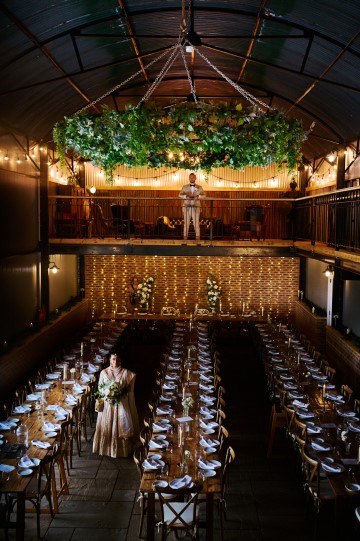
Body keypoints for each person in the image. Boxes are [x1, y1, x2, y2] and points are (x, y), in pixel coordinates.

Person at [92, 351, 139, 458]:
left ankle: (122, 450)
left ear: (120, 360)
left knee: (121, 424)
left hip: (121, 405)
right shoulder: (104, 373)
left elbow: (129, 390)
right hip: (108, 404)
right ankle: (107, 448)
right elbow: (100, 388)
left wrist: (120, 394)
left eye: (117, 359)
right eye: (113, 359)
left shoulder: (126, 373)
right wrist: (107, 394)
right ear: (110, 360)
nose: (115, 361)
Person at [179, 173, 205, 241]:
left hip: (196, 207)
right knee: (186, 224)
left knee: (196, 224)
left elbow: (204, 196)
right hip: (187, 207)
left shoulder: (200, 187)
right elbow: (180, 195)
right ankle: (185, 239)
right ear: (189, 178)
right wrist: (185, 196)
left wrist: (198, 196)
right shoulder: (184, 187)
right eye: (190, 177)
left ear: (195, 178)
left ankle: (198, 239)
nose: (192, 178)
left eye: (193, 177)